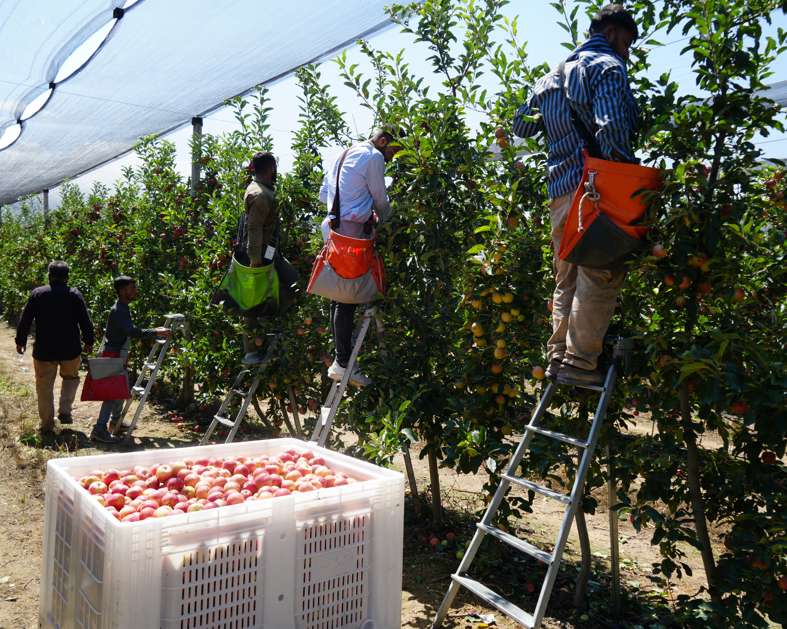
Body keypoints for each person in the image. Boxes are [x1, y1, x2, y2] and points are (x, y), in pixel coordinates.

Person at [512, 4, 639, 387]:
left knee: (567, 275)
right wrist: (626, 182)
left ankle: (558, 356)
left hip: (561, 192)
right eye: (628, 43)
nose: (627, 52)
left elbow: (521, 125)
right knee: (600, 272)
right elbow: (613, 128)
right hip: (596, 188)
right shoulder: (608, 67)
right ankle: (581, 362)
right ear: (614, 32)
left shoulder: (548, 79)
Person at [318, 129, 401, 386]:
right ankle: (343, 363)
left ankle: (339, 360)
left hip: (333, 229)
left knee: (338, 296)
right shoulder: (373, 156)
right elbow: (380, 199)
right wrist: (390, 222)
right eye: (392, 153)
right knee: (348, 297)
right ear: (383, 141)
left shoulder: (341, 154)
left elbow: (323, 195)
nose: (390, 160)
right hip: (352, 233)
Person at [90, 276, 172, 443]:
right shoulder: (119, 309)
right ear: (123, 291)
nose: (136, 291)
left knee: (120, 390)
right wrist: (157, 331)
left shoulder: (123, 307)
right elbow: (132, 331)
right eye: (132, 289)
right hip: (112, 355)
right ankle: (99, 428)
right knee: (112, 393)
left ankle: (115, 422)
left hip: (117, 354)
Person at [15, 260, 94, 432]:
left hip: (45, 348)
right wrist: (89, 341)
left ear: (49, 276)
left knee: (44, 386)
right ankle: (65, 411)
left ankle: (46, 424)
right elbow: (86, 321)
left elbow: (25, 320)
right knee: (71, 378)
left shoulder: (38, 293)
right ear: (67, 277)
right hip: (70, 349)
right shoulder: (74, 294)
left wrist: (20, 341)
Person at [240, 151, 299, 364]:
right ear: (272, 168)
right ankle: (251, 351)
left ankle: (267, 315)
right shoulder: (261, 193)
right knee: (252, 300)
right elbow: (254, 227)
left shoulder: (260, 189)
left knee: (294, 283)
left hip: (269, 253)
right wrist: (255, 260)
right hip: (259, 256)